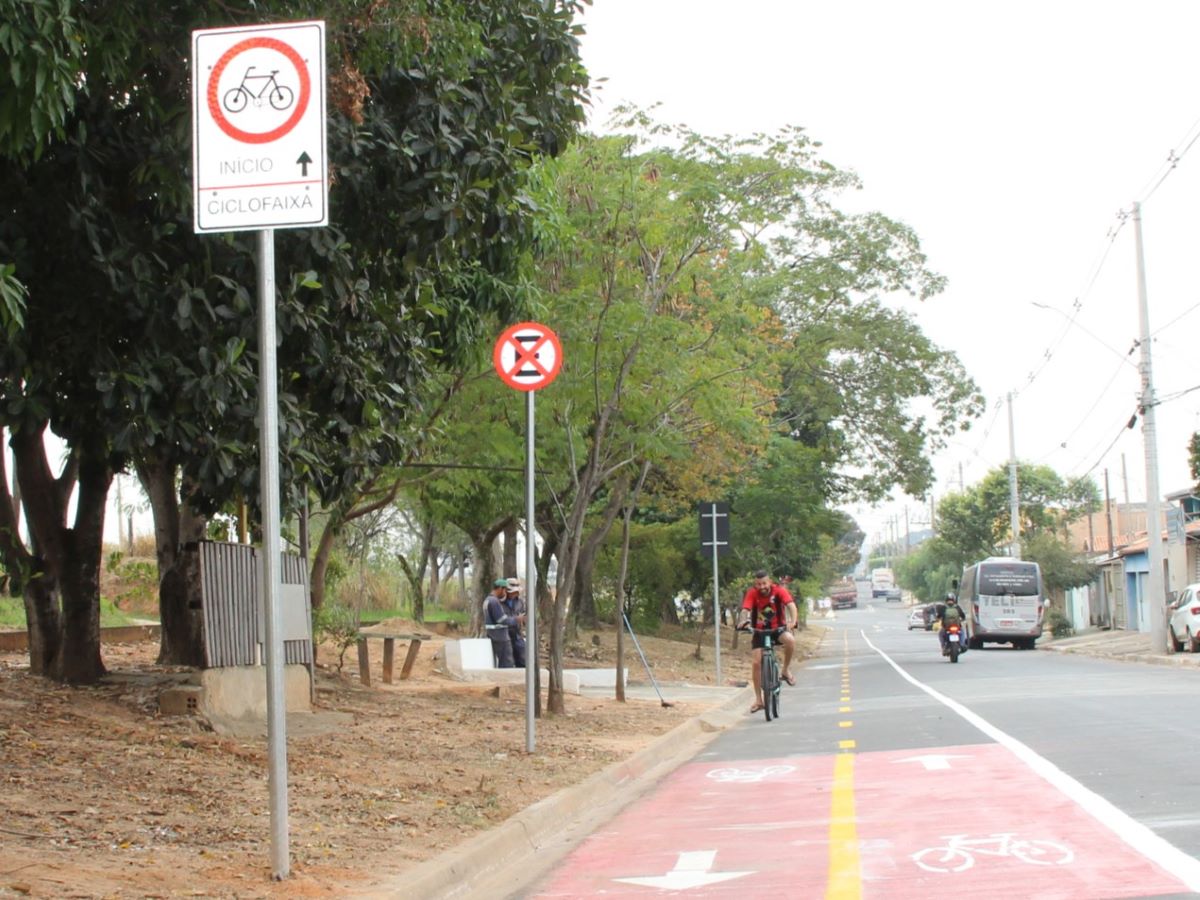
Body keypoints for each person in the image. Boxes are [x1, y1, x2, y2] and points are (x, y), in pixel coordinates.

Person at [736, 570, 798, 714]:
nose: (762, 587)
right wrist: (743, 621)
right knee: (756, 663)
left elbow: (791, 605)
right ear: (755, 584)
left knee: (790, 640)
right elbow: (745, 609)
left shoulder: (779, 591)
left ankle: (785, 670)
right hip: (759, 631)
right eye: (758, 584)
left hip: (778, 629)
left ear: (770, 582)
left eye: (764, 583)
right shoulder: (752, 593)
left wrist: (793, 621)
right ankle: (759, 700)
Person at [483, 578, 518, 668]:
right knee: (507, 663)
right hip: (500, 637)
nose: (506, 593)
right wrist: (516, 619)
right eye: (505, 590)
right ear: (500, 589)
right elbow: (501, 620)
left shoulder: (487, 600)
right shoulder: (494, 601)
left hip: (493, 635)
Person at [503, 577, 527, 668]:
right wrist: (516, 619)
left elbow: (523, 615)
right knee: (508, 661)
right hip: (505, 635)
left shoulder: (520, 602)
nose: (514, 594)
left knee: (523, 659)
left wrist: (524, 620)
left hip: (517, 635)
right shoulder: (499, 603)